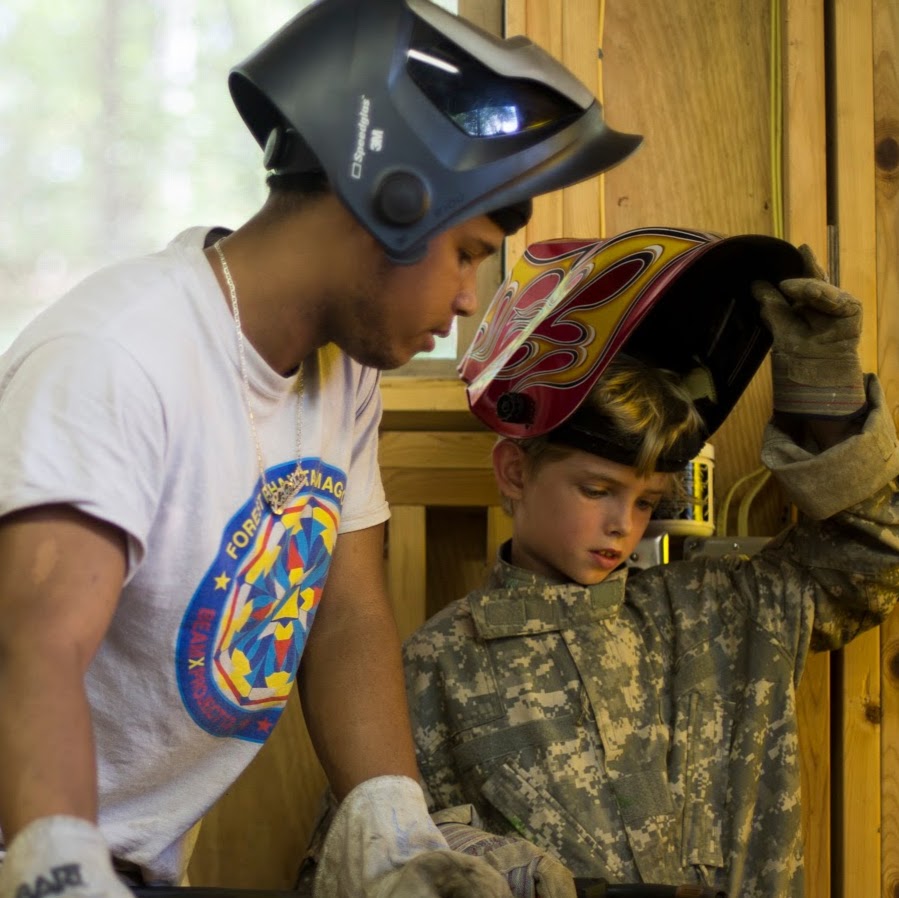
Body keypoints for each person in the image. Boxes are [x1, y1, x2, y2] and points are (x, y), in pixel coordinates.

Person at [0, 2, 644, 897]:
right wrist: (57, 871)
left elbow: (344, 615)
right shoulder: (119, 355)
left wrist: (390, 827)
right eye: (465, 254)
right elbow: (31, 645)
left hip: (133, 864)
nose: (468, 299)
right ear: (392, 205)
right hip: (33, 852)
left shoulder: (340, 375)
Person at [397, 227, 899, 898]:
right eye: (596, 490)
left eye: (646, 501)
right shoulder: (439, 662)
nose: (620, 525)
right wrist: (485, 866)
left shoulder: (724, 612)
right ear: (514, 471)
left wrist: (829, 405)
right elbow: (364, 851)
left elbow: (874, 556)